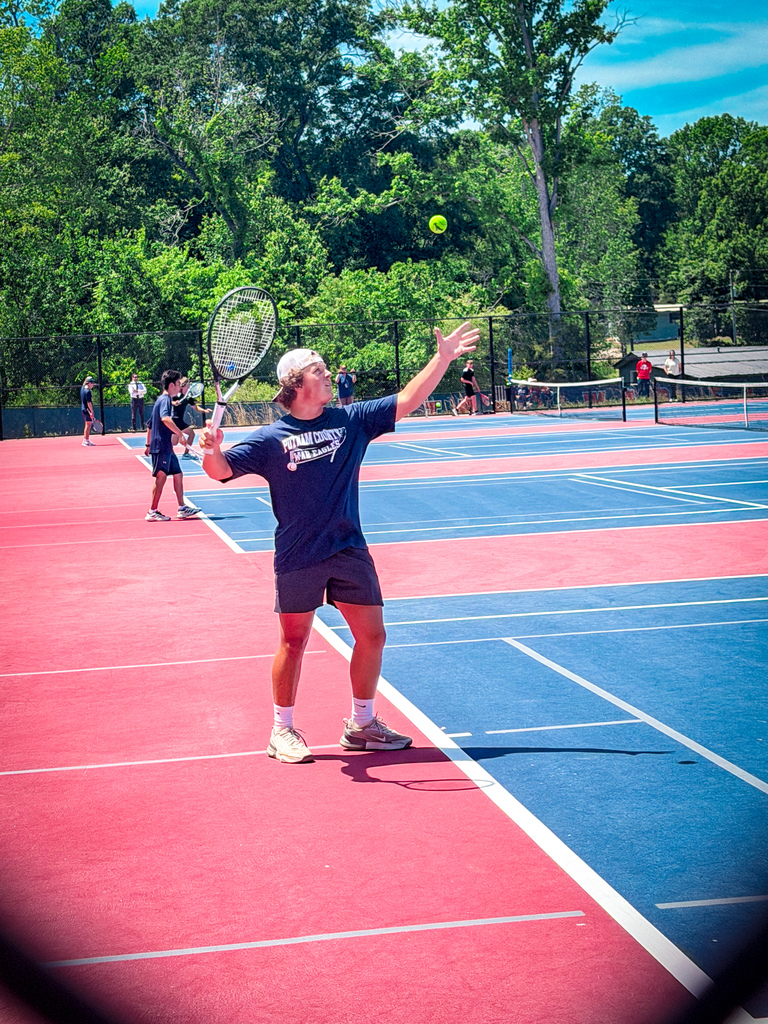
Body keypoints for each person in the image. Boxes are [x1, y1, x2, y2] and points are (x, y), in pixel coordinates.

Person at [198, 321, 481, 764]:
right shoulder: (270, 440)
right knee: (294, 639)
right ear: (295, 384)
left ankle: (362, 725)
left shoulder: (352, 420)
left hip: (348, 547)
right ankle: (282, 730)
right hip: (298, 553)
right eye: (319, 369)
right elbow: (217, 472)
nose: (329, 374)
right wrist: (211, 448)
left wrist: (441, 359)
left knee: (373, 635)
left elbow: (406, 401)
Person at [143, 369, 202, 521]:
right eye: (177, 384)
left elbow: (150, 424)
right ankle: (152, 511)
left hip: (164, 446)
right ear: (170, 385)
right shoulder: (165, 400)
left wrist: (147, 444)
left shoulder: (163, 400)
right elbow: (165, 419)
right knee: (161, 477)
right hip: (162, 445)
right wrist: (180, 434)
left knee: (178, 474)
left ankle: (182, 507)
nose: (179, 386)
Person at [172, 377, 209, 457]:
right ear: (184, 385)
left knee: (190, 434)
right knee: (175, 442)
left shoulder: (188, 397)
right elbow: (167, 401)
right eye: (188, 385)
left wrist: (204, 410)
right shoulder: (176, 394)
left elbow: (195, 407)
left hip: (179, 420)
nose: (189, 387)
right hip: (174, 419)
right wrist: (174, 403)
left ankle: (186, 453)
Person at [80, 376, 97, 446]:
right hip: (87, 410)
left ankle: (85, 440)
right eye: (92, 384)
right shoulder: (88, 392)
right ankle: (86, 441)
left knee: (87, 425)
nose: (93, 385)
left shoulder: (82, 388)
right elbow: (89, 403)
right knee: (88, 425)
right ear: (89, 383)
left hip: (83, 409)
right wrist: (92, 412)